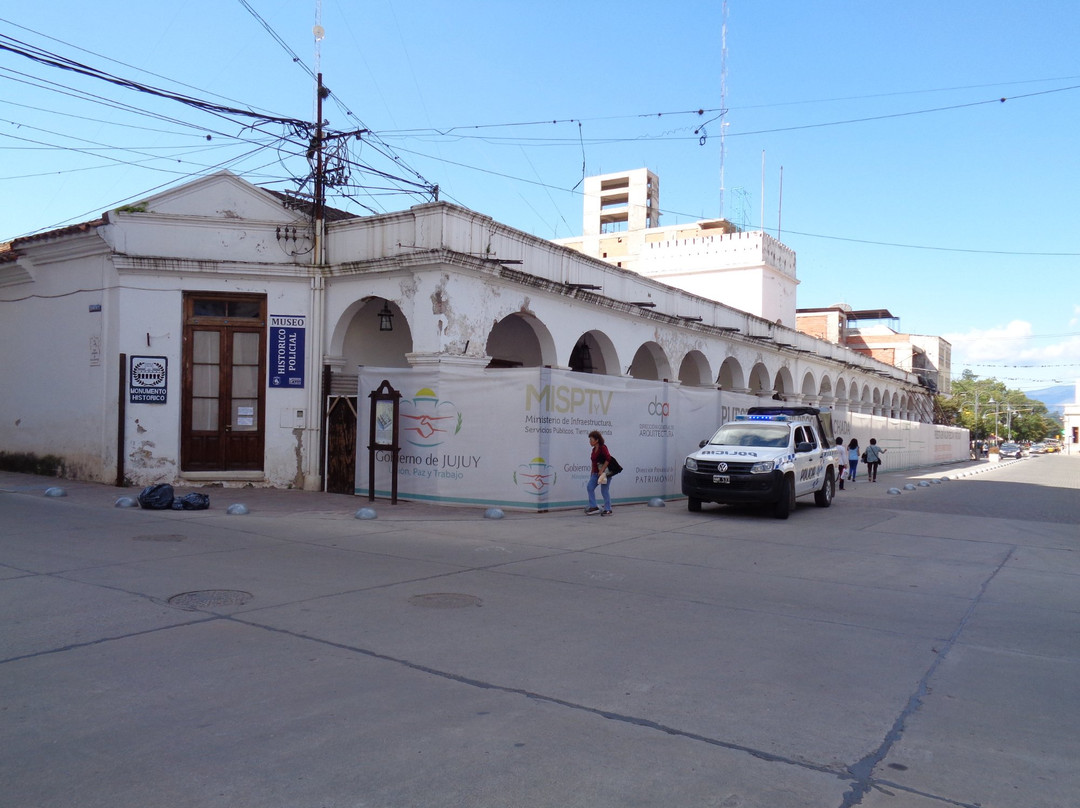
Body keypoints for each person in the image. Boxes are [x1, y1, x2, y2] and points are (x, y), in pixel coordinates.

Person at [586, 430, 613, 516]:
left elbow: (608, 459)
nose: (590, 441)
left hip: (604, 473)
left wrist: (602, 470)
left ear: (597, 440)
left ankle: (608, 509)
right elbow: (593, 462)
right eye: (589, 440)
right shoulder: (593, 450)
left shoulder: (603, 448)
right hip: (595, 473)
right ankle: (593, 506)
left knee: (604, 490)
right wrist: (592, 473)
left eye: (591, 439)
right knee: (590, 487)